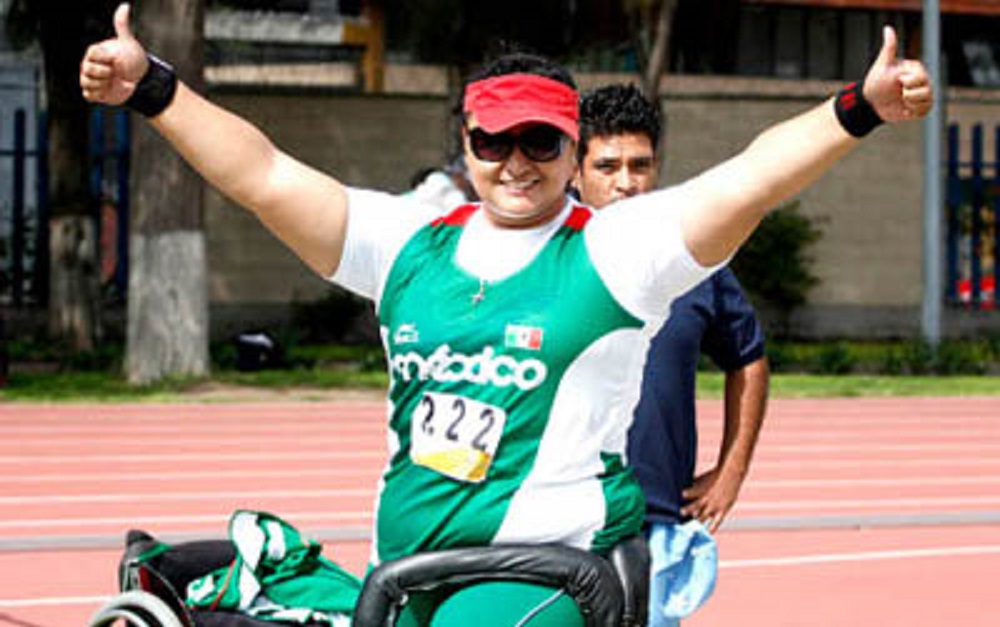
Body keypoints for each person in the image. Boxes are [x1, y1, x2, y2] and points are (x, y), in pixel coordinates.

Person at [80, 4, 932, 624]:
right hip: (405, 576)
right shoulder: (407, 243)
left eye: (539, 142)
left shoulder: (616, 249)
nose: (515, 162)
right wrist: (153, 88)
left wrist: (857, 109)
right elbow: (261, 174)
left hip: (548, 579)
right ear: (466, 144)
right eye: (493, 141)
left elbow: (751, 177)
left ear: (571, 149)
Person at [575, 83, 769, 626]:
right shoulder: (548, 254)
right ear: (574, 170)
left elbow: (748, 357)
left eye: (641, 165)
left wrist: (732, 469)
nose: (626, 183)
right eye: (607, 166)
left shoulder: (692, 261)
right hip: (557, 525)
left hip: (655, 522)